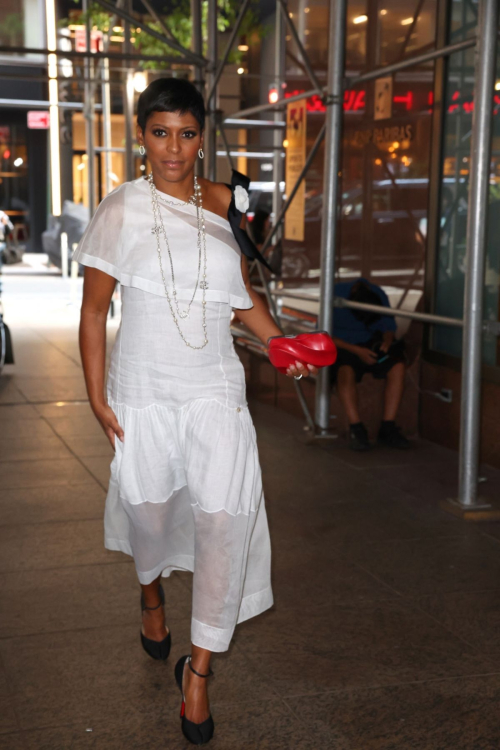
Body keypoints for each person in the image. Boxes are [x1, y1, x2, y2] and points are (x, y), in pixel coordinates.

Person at [74, 77, 316, 746]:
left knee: (222, 523)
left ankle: (200, 671)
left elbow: (242, 297)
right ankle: (151, 593)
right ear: (142, 136)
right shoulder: (121, 208)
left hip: (215, 387)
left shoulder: (226, 205)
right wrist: (97, 396)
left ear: (201, 136)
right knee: (147, 516)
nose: (173, 148)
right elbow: (94, 312)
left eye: (185, 133)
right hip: (144, 387)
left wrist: (280, 344)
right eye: (159, 133)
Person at [330, 278, 409, 451]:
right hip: (342, 344)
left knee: (397, 366)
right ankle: (356, 428)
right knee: (345, 371)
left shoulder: (377, 293)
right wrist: (356, 351)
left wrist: (387, 340)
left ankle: (388, 426)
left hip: (370, 342)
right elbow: (323, 335)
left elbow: (389, 326)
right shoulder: (334, 295)